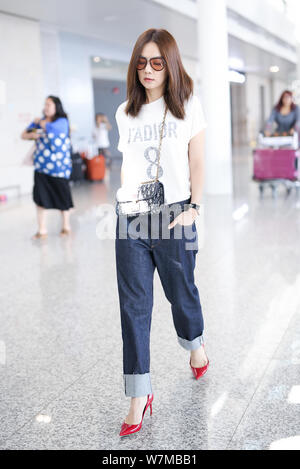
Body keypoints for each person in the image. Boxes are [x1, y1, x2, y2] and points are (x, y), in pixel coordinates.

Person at [114, 28, 208, 437]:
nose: (148, 70)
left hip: (175, 215)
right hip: (131, 217)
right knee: (134, 306)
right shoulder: (125, 112)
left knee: (180, 293)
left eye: (156, 62)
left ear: (169, 64)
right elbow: (129, 166)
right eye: (141, 62)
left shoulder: (187, 103)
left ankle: (194, 344)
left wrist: (194, 209)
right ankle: (139, 395)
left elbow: (198, 160)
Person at [21, 96, 73, 239]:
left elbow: (52, 129)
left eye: (49, 104)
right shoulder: (39, 122)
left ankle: (66, 227)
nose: (46, 107)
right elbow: (24, 135)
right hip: (41, 168)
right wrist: (33, 134)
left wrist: (39, 123)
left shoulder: (62, 121)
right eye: (45, 104)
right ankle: (41, 230)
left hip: (59, 170)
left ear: (57, 106)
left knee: (63, 199)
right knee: (40, 199)